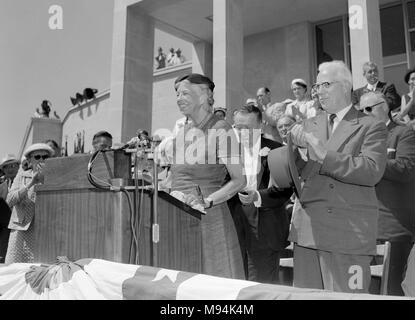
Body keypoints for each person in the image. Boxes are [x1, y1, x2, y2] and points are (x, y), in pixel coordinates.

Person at [270, 60, 388, 293]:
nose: (318, 91)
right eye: (316, 86)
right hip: (308, 232)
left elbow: (371, 170)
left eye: (325, 84)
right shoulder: (307, 125)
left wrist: (323, 154)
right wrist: (300, 152)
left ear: (345, 86)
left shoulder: (370, 126)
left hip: (347, 232)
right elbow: (297, 175)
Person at [170, 73, 245, 279]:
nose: (178, 98)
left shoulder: (222, 128)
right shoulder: (181, 133)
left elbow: (239, 180)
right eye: (177, 94)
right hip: (178, 219)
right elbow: (174, 179)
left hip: (210, 219)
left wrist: (208, 201)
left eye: (185, 93)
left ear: (204, 96)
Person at [227, 105, 292, 284]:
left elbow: (285, 190)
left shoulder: (277, 150)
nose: (240, 132)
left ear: (260, 127)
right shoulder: (228, 152)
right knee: (237, 281)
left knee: (262, 284)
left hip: (265, 226)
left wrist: (258, 196)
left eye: (246, 128)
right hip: (235, 224)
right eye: (237, 127)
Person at [360, 91, 415, 296]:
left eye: (368, 109)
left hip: (395, 229)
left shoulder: (403, 133)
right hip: (366, 231)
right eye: (361, 110)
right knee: (370, 291)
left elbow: (407, 168)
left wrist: (372, 163)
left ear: (384, 106)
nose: (364, 114)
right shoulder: (362, 140)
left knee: (392, 291)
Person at [5, 143, 54, 264]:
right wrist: (30, 184)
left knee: (40, 267)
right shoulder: (21, 176)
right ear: (30, 161)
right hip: (21, 229)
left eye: (45, 157)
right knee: (16, 270)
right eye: (37, 157)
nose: (42, 160)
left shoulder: (54, 176)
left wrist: (45, 181)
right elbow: (10, 200)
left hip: (45, 230)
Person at [0, 154, 20, 263]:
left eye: (13, 165)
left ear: (18, 166)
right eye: (7, 166)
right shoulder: (1, 187)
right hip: (4, 234)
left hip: (21, 230)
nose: (10, 169)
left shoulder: (26, 183)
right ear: (3, 170)